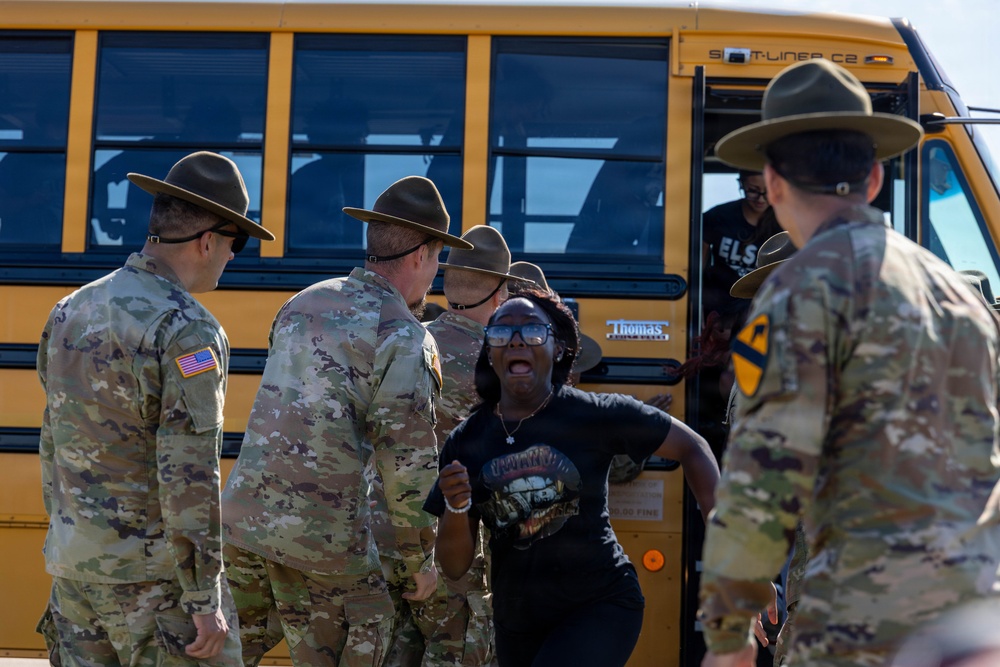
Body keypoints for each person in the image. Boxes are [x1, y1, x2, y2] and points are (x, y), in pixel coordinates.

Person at [698, 58, 1000, 667]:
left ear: (772, 183)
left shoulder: (799, 291)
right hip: (971, 622)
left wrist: (728, 634)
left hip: (861, 622)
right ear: (875, 178)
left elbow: (764, 478)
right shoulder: (958, 296)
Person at [219, 175, 472, 667]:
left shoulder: (302, 302)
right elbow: (407, 463)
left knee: (223, 656)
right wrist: (419, 561)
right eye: (438, 259)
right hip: (324, 542)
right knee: (369, 628)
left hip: (243, 525)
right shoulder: (404, 334)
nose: (435, 275)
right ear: (421, 255)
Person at [35, 151, 274, 666]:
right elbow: (189, 472)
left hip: (75, 573)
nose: (234, 257)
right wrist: (203, 597)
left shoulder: (70, 309)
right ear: (207, 240)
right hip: (155, 587)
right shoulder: (187, 328)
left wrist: (69, 542)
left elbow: (53, 440)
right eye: (236, 242)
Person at [425, 289, 720, 666]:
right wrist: (456, 506)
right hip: (517, 622)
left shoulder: (593, 414)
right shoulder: (467, 440)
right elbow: (453, 566)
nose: (516, 340)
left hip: (600, 604)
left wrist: (727, 551)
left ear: (559, 349)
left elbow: (693, 448)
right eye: (501, 332)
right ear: (490, 352)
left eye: (533, 330)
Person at [377, 225, 523, 666]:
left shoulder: (405, 341)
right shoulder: (501, 367)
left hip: (383, 541)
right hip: (453, 555)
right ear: (500, 294)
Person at [702, 171, 780, 318]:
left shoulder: (784, 222)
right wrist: (697, 306)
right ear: (741, 184)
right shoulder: (718, 217)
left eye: (768, 192)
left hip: (759, 307)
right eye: (753, 191)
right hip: (714, 305)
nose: (761, 198)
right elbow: (696, 266)